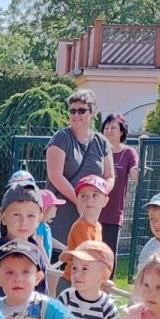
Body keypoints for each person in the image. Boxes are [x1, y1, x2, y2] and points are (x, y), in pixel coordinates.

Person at [45, 89, 115, 243]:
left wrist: (97, 197)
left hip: (90, 216)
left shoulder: (101, 142)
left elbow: (109, 177)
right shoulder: (61, 138)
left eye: (81, 111)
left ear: (92, 113)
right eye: (72, 111)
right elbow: (55, 175)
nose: (76, 115)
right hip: (60, 218)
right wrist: (80, 200)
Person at [0, 182, 48, 297]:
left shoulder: (38, 255)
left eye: (31, 215)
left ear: (39, 219)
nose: (23, 222)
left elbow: (43, 298)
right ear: (3, 218)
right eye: (16, 215)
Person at [99, 114, 138, 259]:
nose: (109, 131)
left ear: (122, 132)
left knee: (108, 256)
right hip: (93, 211)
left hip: (113, 215)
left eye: (113, 128)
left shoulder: (128, 152)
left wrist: (144, 150)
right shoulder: (96, 150)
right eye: (106, 127)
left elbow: (136, 175)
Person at [61, 175, 109, 283]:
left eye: (95, 195)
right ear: (78, 201)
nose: (89, 200)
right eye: (83, 196)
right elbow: (87, 258)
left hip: (85, 280)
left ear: (105, 201)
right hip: (72, 282)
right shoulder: (81, 227)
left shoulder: (97, 226)